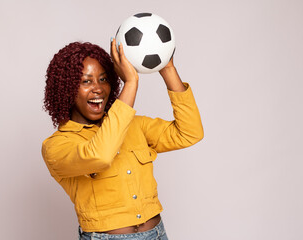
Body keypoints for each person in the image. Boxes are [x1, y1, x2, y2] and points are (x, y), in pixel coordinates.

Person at [42, 38, 204, 240]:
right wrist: (131, 83)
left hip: (157, 234)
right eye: (86, 81)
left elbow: (190, 132)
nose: (98, 88)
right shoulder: (56, 147)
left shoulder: (134, 125)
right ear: (66, 89)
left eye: (103, 79)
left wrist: (168, 68)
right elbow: (100, 155)